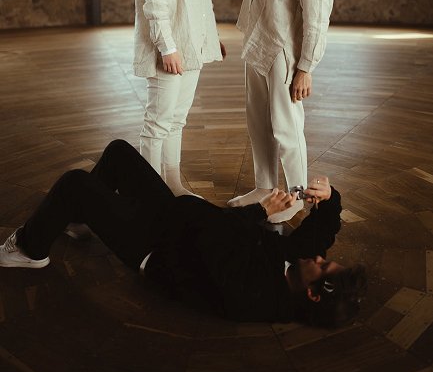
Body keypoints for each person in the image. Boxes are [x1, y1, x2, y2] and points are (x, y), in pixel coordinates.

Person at [0, 140, 366, 327]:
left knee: (75, 183)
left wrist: (260, 212)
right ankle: (82, 218)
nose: (320, 258)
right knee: (119, 153)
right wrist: (329, 197)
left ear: (313, 294)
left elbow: (209, 238)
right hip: (174, 220)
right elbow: (319, 236)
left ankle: (30, 250)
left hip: (154, 247)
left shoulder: (254, 297)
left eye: (323, 267)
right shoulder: (299, 269)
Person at [225, 0, 341, 222]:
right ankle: (265, 188)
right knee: (258, 121)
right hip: (258, 36)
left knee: (286, 127)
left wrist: (306, 68)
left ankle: (294, 197)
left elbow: (316, 15)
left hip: (284, 51)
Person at [134, 0, 224, 196]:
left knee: (176, 121)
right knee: (157, 123)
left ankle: (172, 186)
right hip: (169, 48)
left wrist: (208, 37)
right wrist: (167, 47)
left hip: (190, 45)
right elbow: (154, 0)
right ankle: (148, 196)